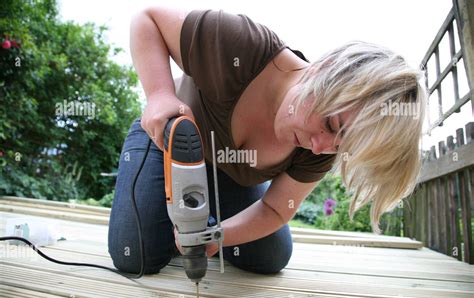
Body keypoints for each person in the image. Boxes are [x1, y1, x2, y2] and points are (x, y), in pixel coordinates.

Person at [108, 7, 426, 275]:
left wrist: (216, 235)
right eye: (330, 124)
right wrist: (160, 94)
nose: (318, 147)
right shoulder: (238, 44)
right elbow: (147, 20)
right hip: (162, 144)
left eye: (342, 147)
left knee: (270, 255)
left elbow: (276, 209)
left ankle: (193, 220)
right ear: (326, 69)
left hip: (228, 173)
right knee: (134, 255)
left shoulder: (322, 147)